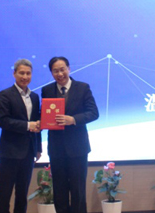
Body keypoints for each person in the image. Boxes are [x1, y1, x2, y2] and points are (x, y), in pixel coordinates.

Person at [41, 56, 99, 213]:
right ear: (51, 73)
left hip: (78, 148)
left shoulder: (83, 88)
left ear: (69, 69)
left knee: (78, 190)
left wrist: (73, 120)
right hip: (56, 148)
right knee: (59, 190)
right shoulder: (47, 90)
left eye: (62, 69)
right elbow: (45, 114)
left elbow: (93, 113)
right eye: (55, 71)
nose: (60, 74)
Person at [0, 59, 42, 213]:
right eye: (21, 73)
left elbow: (37, 123)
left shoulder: (35, 97)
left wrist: (38, 148)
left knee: (22, 194)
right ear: (14, 73)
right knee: (5, 192)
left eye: (28, 73)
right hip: (9, 151)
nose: (25, 77)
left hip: (28, 152)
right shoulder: (5, 95)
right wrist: (28, 125)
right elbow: (3, 121)